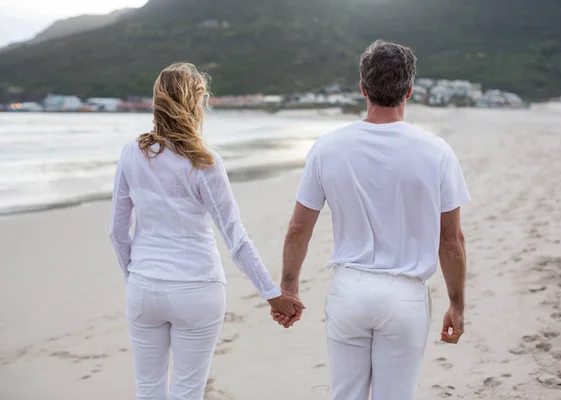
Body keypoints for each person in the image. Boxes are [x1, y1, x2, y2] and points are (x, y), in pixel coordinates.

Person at [271, 40, 470, 400]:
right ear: (409, 90)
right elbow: (451, 239)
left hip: (350, 289)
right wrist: (457, 304)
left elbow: (298, 228)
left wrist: (288, 288)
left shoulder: (328, 147)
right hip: (406, 294)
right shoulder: (436, 151)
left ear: (363, 88)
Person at [108, 62, 302, 400]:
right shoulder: (203, 161)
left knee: (148, 389)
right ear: (196, 103)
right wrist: (273, 294)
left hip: (144, 288)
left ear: (157, 101)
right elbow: (235, 237)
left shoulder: (131, 154)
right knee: (187, 391)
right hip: (196, 290)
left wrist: (137, 277)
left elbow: (116, 230)